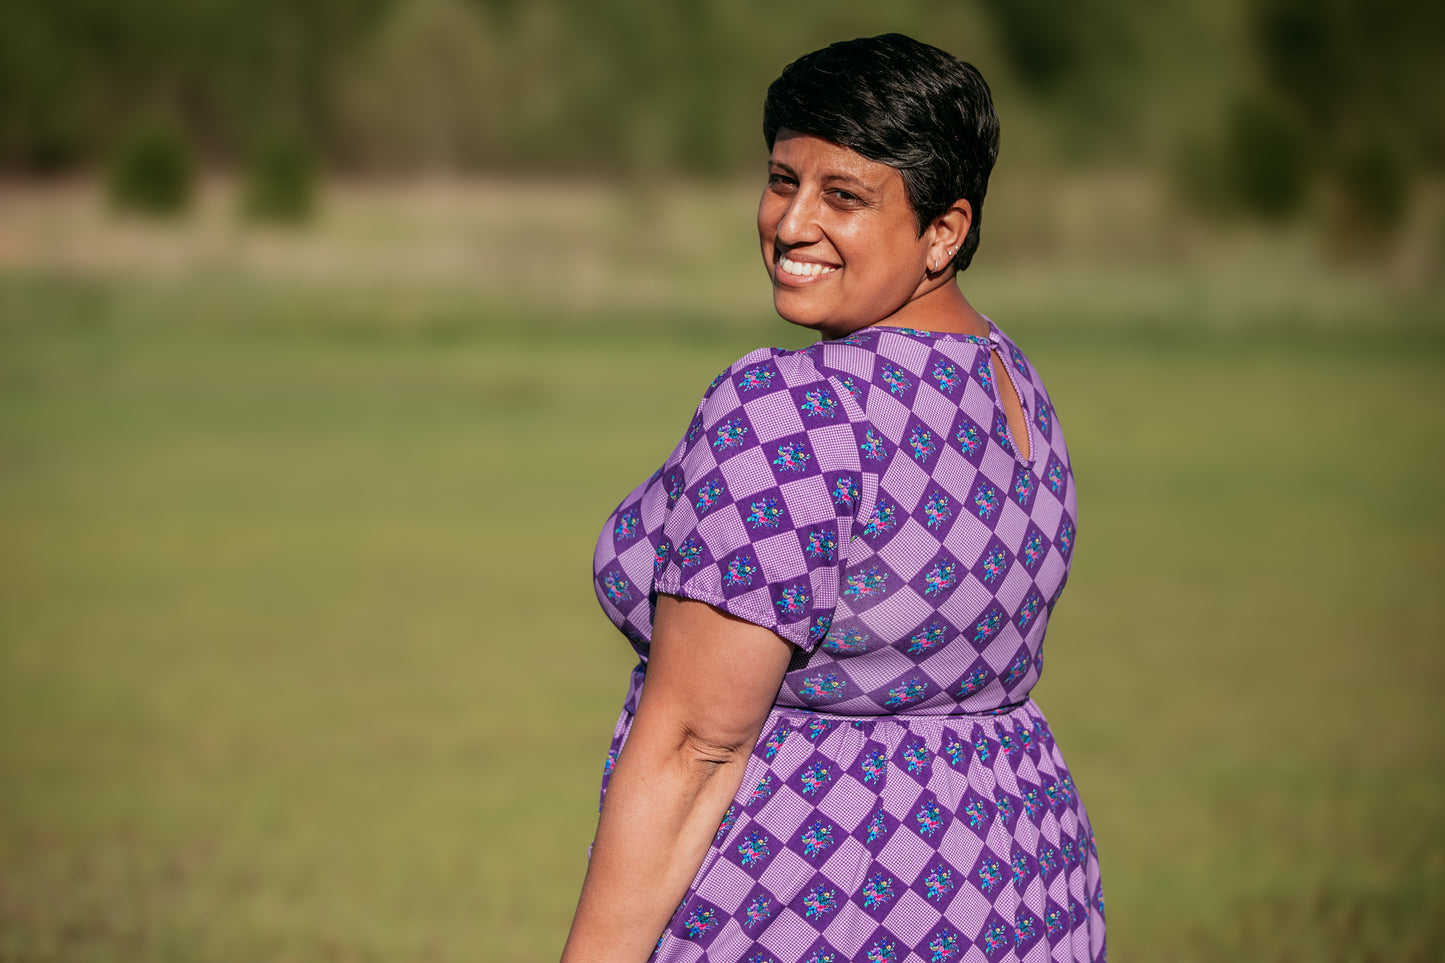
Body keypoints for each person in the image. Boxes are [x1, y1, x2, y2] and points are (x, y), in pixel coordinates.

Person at [563, 33, 1104, 963]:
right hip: (1019, 882)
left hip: (824, 896)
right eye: (782, 179)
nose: (789, 221)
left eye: (842, 195)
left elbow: (694, 745)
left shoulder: (794, 407)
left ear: (946, 230)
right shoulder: (1009, 378)